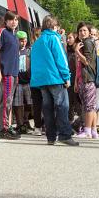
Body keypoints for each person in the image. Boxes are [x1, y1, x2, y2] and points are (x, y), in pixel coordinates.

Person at [30, 15, 79, 146]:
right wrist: (66, 77)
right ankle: (64, 135)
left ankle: (51, 137)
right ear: (54, 27)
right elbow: (61, 59)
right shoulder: (54, 39)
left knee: (47, 108)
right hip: (55, 79)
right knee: (62, 106)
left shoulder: (37, 42)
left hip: (41, 81)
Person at [0, 12, 22, 139]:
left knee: (9, 101)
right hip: (6, 72)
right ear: (5, 21)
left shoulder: (15, 36)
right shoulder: (2, 32)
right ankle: (4, 129)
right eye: (11, 19)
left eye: (16, 20)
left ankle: (7, 126)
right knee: (5, 101)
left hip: (14, 73)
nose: (14, 22)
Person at [74, 22, 99, 139]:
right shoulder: (84, 43)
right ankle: (93, 130)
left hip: (88, 79)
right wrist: (76, 81)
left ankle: (87, 131)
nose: (82, 33)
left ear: (89, 32)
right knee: (90, 106)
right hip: (83, 79)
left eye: (84, 30)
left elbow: (87, 62)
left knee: (88, 106)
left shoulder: (88, 42)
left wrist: (77, 52)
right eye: (80, 31)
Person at [14, 30, 34, 133]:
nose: (23, 42)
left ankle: (26, 120)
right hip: (18, 82)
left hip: (28, 81)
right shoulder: (14, 52)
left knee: (30, 103)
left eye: (25, 40)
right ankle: (19, 124)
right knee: (18, 104)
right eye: (21, 40)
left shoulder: (29, 51)